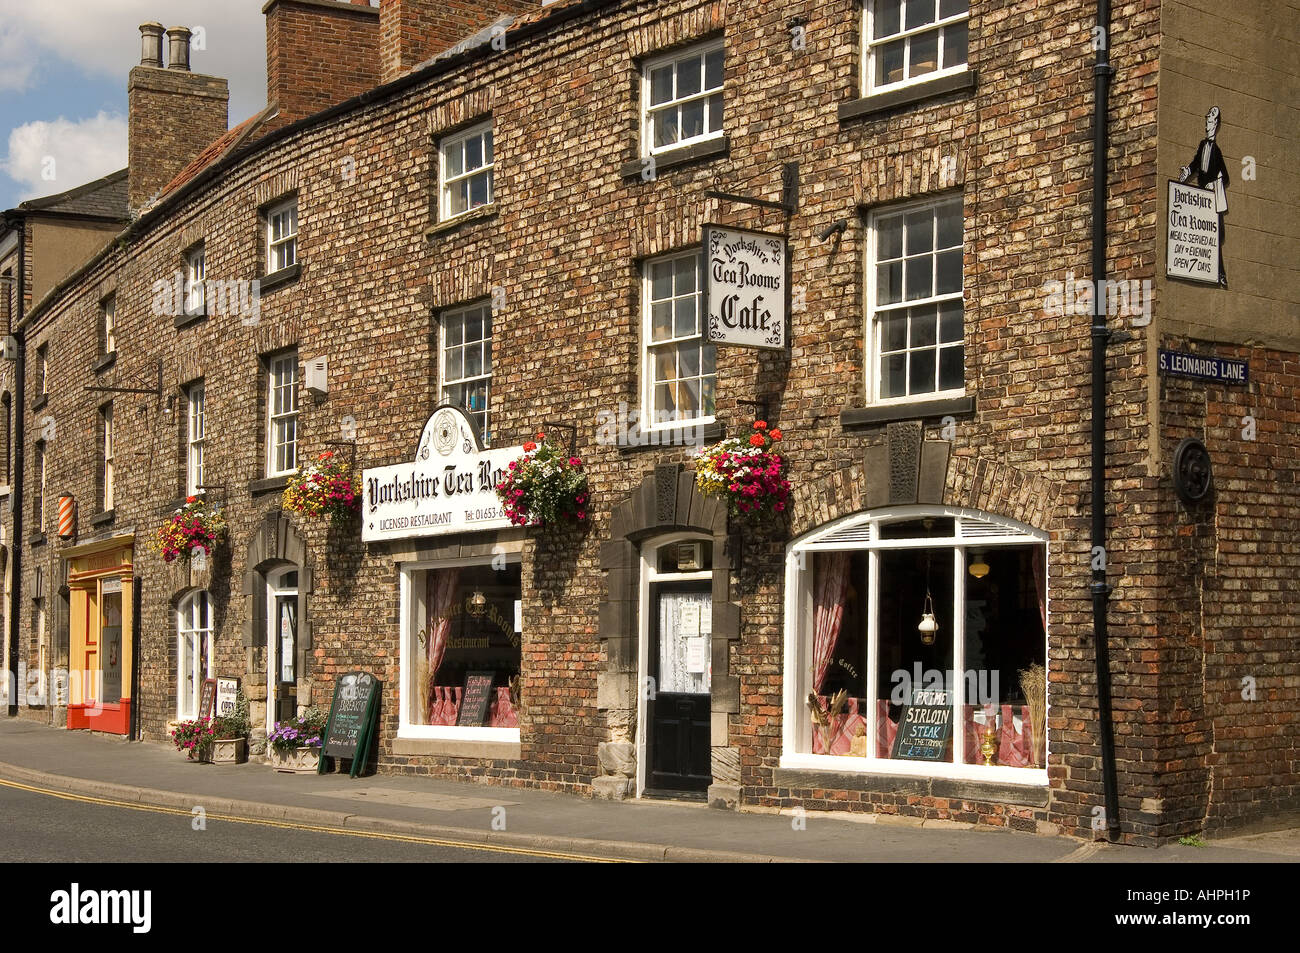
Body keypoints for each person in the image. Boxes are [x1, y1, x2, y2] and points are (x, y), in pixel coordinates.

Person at [1179, 106, 1229, 286]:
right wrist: (1187, 172)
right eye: (1207, 120)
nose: (1208, 124)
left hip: (1211, 200)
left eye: (1211, 120)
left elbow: (1225, 176)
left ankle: (1220, 273)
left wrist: (1214, 183)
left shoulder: (1216, 151)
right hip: (1199, 198)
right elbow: (1194, 164)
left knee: (1215, 236)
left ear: (1215, 124)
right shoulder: (1202, 145)